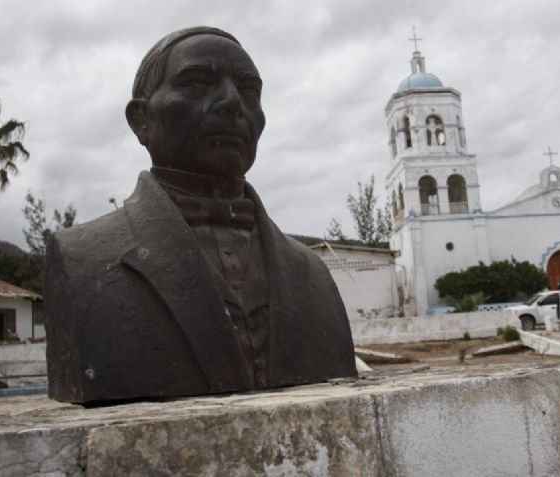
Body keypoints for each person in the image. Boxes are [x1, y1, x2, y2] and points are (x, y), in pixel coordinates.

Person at [44, 27, 357, 404]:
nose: (231, 103)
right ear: (141, 120)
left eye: (248, 91)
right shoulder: (81, 258)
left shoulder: (312, 272)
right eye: (197, 84)